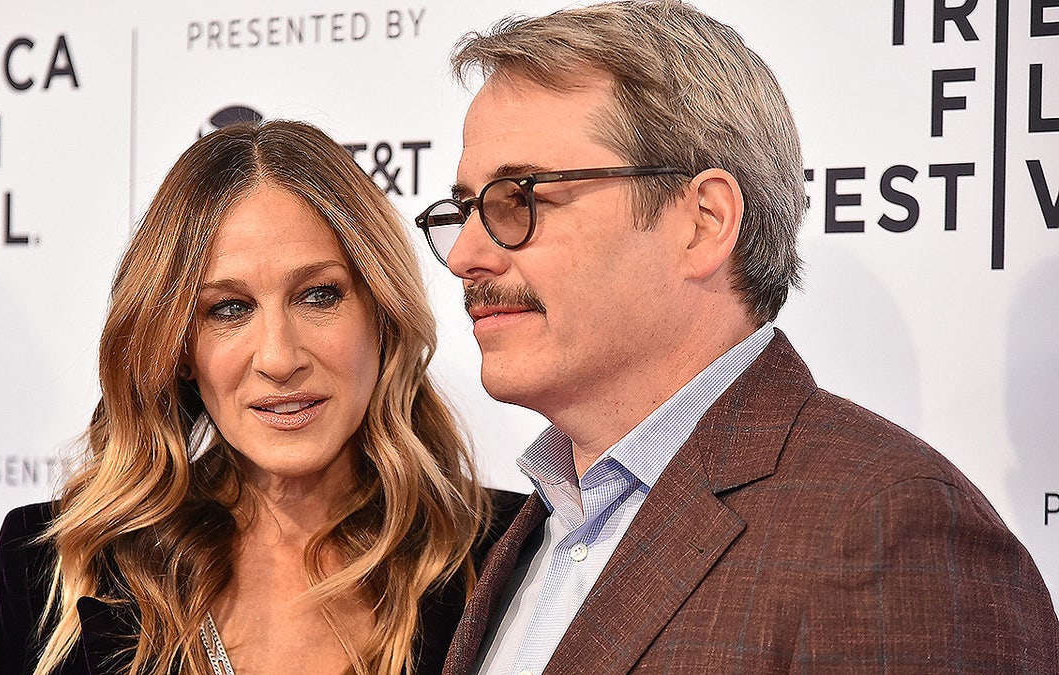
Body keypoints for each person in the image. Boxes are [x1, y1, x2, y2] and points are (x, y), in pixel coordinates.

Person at [412, 1, 1059, 672]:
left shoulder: (886, 528)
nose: (465, 255)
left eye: (520, 197)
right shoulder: (521, 535)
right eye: (466, 209)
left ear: (704, 221)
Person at [0, 120, 522, 675]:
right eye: (229, 309)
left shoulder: (509, 552)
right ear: (179, 345)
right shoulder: (52, 566)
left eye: (318, 295)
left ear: (380, 313)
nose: (279, 358)